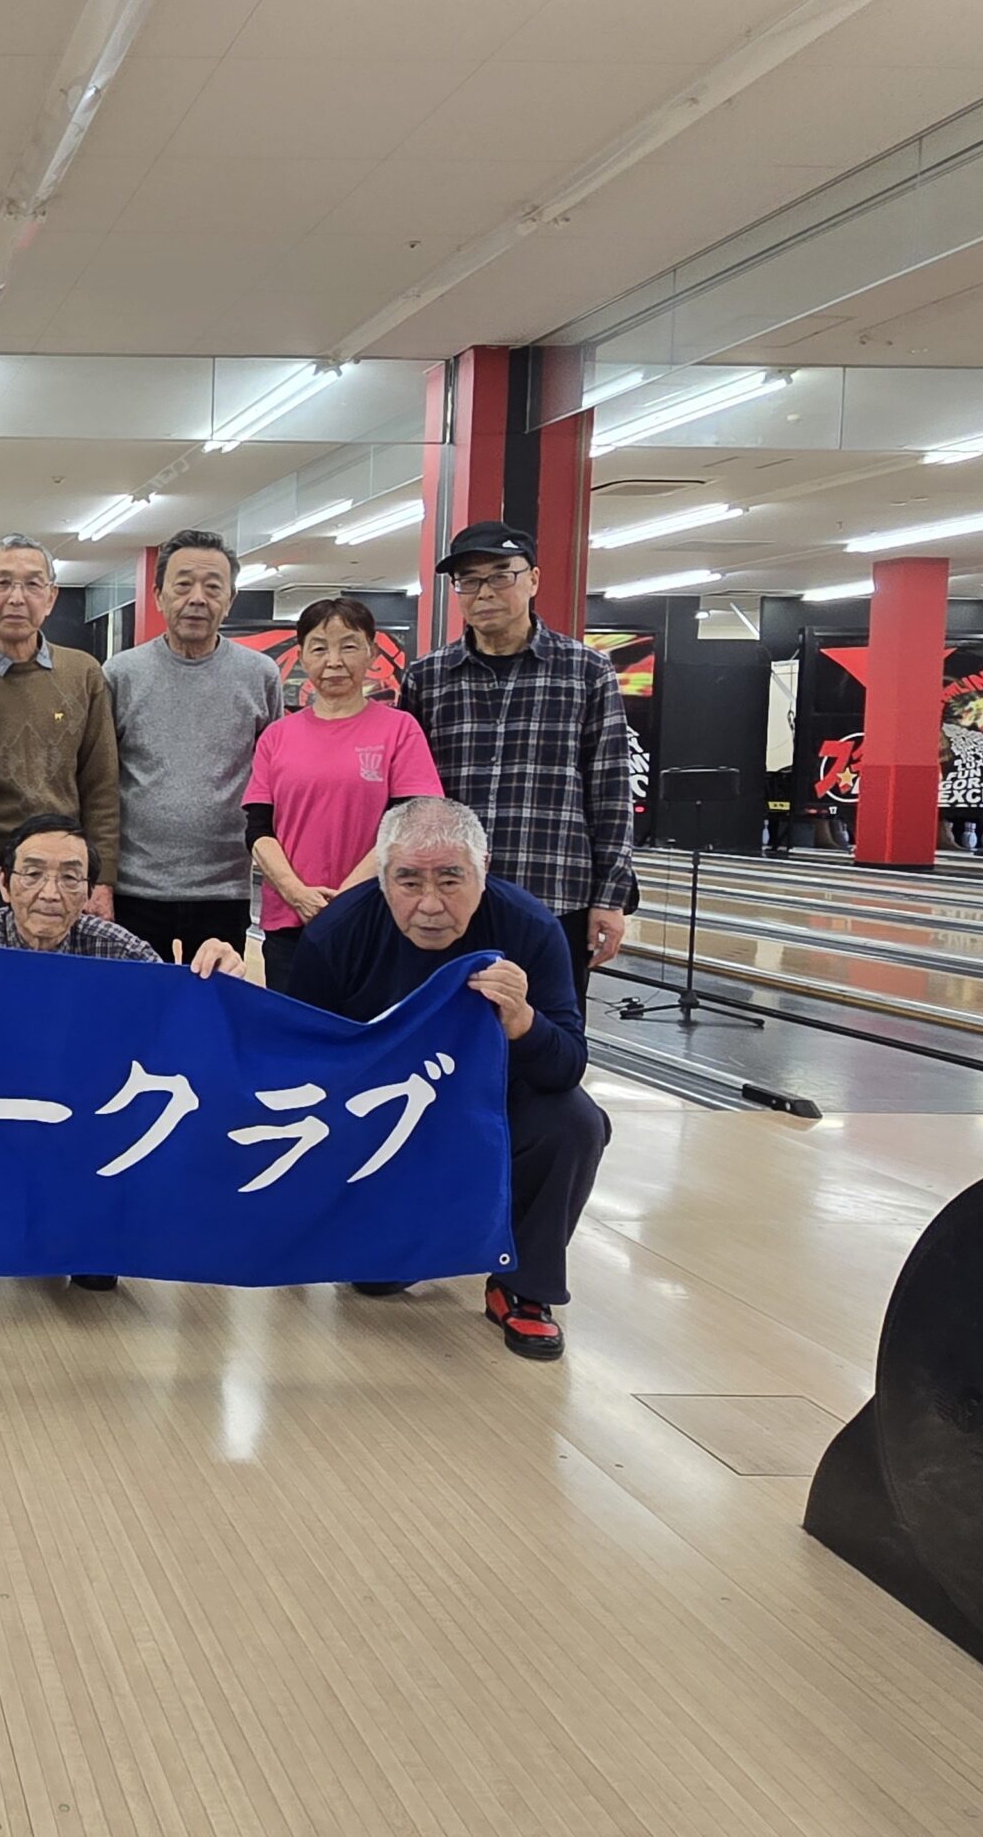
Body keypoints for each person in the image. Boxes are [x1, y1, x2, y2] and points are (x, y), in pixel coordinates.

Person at [280, 796, 609, 1360]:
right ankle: (418, 1236)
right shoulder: (336, 935)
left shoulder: (531, 928)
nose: (430, 905)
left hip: (490, 1110)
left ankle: (523, 1289)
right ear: (383, 878)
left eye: (451, 881)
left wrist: (523, 1022)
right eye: (408, 882)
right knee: (374, 1282)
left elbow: (565, 1066)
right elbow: (302, 1075)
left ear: (483, 871)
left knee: (576, 1121)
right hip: (386, 1120)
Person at [0, 812, 243, 1297]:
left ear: (88, 893)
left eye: (70, 878)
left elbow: (179, 1018)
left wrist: (220, 979)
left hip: (77, 1113)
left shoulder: (115, 949)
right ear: (4, 883)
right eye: (33, 873)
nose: (50, 892)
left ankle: (89, 1238)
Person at [400, 520, 636, 1000]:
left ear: (533, 579)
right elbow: (406, 799)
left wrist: (610, 899)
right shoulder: (427, 678)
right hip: (446, 902)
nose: (484, 592)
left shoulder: (587, 671)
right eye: (469, 581)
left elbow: (610, 792)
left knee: (547, 1032)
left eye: (500, 575)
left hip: (554, 895)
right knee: (445, 1033)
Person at [244, 596, 442, 997]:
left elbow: (407, 825)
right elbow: (258, 830)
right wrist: (297, 893)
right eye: (319, 648)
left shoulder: (400, 730)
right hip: (291, 923)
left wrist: (345, 902)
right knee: (293, 1029)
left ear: (372, 652)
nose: (333, 661)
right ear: (302, 656)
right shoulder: (277, 736)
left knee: (369, 1029)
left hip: (375, 918)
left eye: (348, 646)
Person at [104, 529, 282, 963]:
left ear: (230, 599)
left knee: (214, 998)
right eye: (183, 585)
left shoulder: (261, 675)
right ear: (158, 595)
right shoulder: (121, 674)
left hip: (225, 888)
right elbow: (100, 780)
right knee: (138, 1002)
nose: (197, 598)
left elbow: (273, 780)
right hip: (135, 887)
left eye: (213, 587)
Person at [0, 534, 119, 919]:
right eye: (2, 583)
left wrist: (102, 880)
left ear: (50, 597)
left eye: (32, 584)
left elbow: (101, 785)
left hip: (63, 867)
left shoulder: (83, 674)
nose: (17, 597)